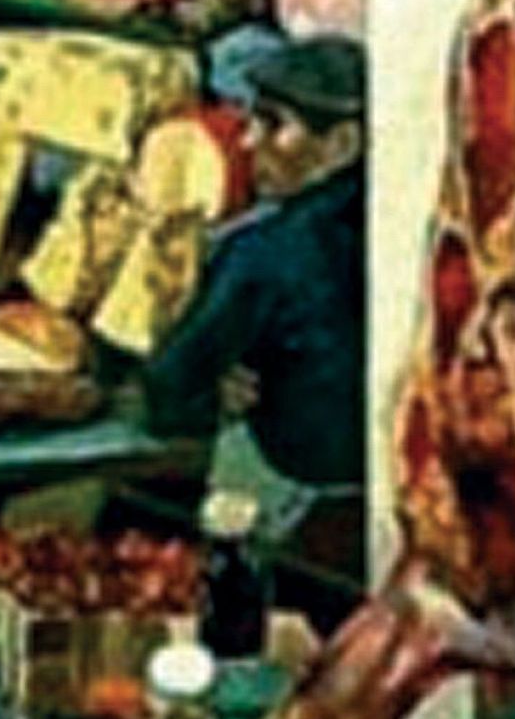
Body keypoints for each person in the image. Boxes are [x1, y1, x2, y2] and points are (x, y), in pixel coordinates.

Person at [141, 34, 368, 545]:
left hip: (296, 492)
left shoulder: (264, 253)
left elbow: (168, 391)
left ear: (342, 145)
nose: (247, 143)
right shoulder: (395, 226)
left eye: (273, 124)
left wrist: (207, 393)